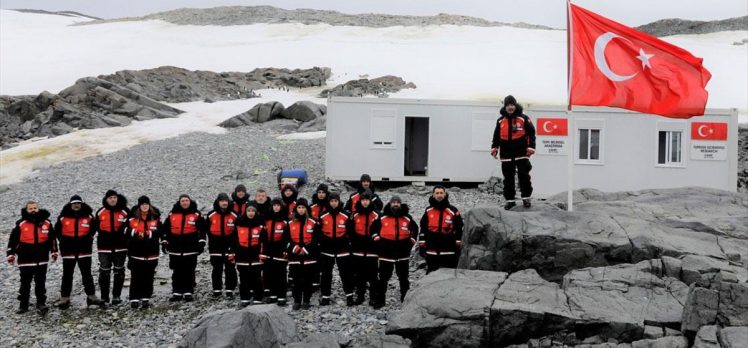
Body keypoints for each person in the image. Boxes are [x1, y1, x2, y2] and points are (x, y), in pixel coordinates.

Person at [7, 201, 57, 314]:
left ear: (38, 209)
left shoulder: (47, 223)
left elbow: (52, 240)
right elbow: (13, 240)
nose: (33, 210)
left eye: (35, 208)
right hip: (25, 260)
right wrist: (11, 254)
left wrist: (54, 252)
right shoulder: (20, 223)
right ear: (26, 210)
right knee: (25, 283)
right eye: (30, 208)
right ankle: (23, 305)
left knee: (40, 283)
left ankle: (41, 303)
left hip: (42, 259)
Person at [55, 195, 102, 309]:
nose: (76, 205)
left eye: (78, 203)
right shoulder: (63, 217)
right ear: (70, 204)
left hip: (84, 250)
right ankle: (65, 297)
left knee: (87, 274)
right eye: (74, 203)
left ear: (81, 204)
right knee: (67, 275)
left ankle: (91, 296)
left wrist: (89, 237)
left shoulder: (89, 216)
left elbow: (95, 227)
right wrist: (63, 241)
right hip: (68, 251)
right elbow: (57, 231)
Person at [490, 95, 536, 210]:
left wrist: (531, 147)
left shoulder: (524, 118)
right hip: (506, 154)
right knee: (508, 178)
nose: (510, 107)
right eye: (508, 105)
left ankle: (526, 198)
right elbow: (496, 136)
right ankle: (510, 200)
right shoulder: (500, 120)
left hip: (521, 153)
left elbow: (531, 133)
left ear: (515, 106)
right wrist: (494, 148)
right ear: (505, 107)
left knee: (524, 175)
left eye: (512, 105)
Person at [371, 196, 418, 308]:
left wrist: (411, 241)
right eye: (394, 202)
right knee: (383, 278)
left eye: (398, 202)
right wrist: (377, 240)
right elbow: (373, 229)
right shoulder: (382, 217)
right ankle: (380, 300)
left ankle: (405, 299)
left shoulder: (407, 217)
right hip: (386, 253)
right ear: (390, 204)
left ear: (400, 204)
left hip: (402, 253)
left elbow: (415, 230)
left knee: (403, 278)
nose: (396, 204)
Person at [161, 194, 205, 302]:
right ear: (179, 202)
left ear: (190, 202)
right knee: (177, 270)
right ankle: (177, 292)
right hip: (175, 248)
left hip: (191, 248)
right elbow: (165, 229)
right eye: (183, 201)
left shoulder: (196, 214)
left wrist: (201, 243)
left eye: (186, 200)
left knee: (189, 270)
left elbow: (202, 230)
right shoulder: (172, 214)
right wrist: (165, 241)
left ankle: (188, 291)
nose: (185, 203)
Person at [317, 192, 355, 306]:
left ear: (339, 202)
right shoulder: (323, 215)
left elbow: (350, 231)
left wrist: (346, 241)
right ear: (329, 202)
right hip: (327, 250)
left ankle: (349, 296)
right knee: (326, 274)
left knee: (346, 273)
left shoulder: (345, 215)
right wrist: (322, 242)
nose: (333, 203)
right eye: (331, 201)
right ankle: (325, 297)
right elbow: (319, 231)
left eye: (335, 201)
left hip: (342, 249)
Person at [93, 190, 130, 305]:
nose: (112, 199)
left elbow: (130, 227)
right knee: (104, 272)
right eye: (110, 198)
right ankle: (104, 297)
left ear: (117, 198)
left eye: (114, 197)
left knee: (119, 271)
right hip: (104, 247)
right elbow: (94, 228)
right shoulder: (100, 212)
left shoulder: (125, 211)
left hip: (120, 247)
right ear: (106, 199)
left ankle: (116, 296)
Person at [125, 196, 162, 309]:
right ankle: (134, 298)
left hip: (151, 252)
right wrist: (135, 233)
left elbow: (161, 231)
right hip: (136, 252)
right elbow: (124, 230)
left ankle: (146, 297)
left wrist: (150, 234)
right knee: (136, 276)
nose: (145, 206)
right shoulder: (131, 219)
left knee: (149, 275)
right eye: (143, 204)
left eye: (147, 204)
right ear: (139, 206)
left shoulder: (155, 218)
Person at [419, 186, 464, 274]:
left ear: (445, 194)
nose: (439, 195)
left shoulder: (453, 210)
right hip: (432, 248)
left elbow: (459, 227)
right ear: (433, 195)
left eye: (441, 193)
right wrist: (421, 244)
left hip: (448, 249)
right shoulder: (428, 210)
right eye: (437, 193)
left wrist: (458, 244)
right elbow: (423, 228)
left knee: (449, 275)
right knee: (431, 274)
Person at [285, 198, 318, 310]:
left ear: (306, 209)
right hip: (295, 257)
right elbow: (286, 240)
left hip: (309, 257)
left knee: (308, 280)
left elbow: (316, 239)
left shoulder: (313, 222)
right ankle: (297, 300)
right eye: (299, 207)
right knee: (296, 280)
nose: (301, 210)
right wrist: (295, 248)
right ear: (296, 209)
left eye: (303, 207)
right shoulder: (289, 223)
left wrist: (306, 249)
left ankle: (307, 300)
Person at [348, 190, 380, 306]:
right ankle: (360, 296)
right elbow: (350, 231)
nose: (365, 202)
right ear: (360, 201)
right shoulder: (354, 215)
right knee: (359, 275)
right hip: (358, 250)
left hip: (372, 250)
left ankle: (373, 297)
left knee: (373, 275)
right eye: (363, 200)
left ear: (370, 201)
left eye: (367, 200)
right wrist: (353, 243)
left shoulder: (377, 215)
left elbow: (379, 231)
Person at [205, 193, 239, 298]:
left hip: (230, 246)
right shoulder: (211, 214)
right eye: (222, 201)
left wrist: (234, 246)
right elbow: (206, 229)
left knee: (230, 269)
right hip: (215, 246)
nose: (224, 203)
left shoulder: (234, 215)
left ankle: (230, 290)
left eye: (226, 201)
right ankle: (217, 290)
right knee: (216, 269)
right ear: (218, 202)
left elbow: (238, 231)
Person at [233, 205, 265, 307]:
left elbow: (263, 242)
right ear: (245, 212)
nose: (250, 213)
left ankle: (258, 298)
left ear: (256, 213)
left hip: (256, 256)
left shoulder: (260, 226)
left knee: (257, 278)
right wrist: (234, 253)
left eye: (253, 211)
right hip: (242, 256)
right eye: (249, 211)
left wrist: (262, 254)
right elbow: (234, 241)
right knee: (243, 278)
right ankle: (245, 298)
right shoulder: (239, 226)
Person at [261, 198, 289, 306]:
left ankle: (281, 296)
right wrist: (263, 250)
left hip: (280, 249)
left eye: (278, 205)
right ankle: (273, 295)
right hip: (269, 249)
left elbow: (287, 237)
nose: (276, 207)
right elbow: (263, 236)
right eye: (274, 205)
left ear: (281, 207)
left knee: (281, 273)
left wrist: (286, 249)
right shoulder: (267, 220)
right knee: (270, 272)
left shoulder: (285, 221)